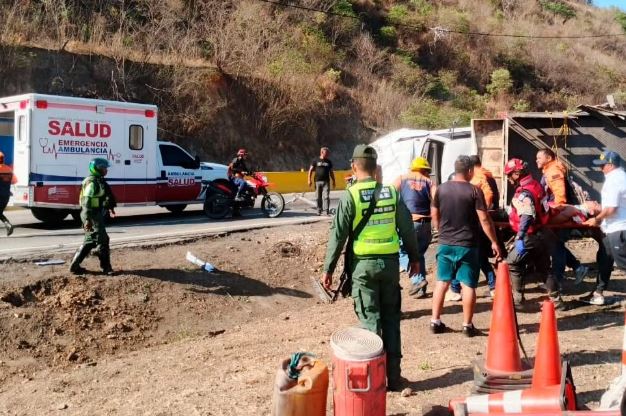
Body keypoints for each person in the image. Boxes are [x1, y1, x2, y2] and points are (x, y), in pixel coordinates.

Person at [321, 144, 420, 391]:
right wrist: (416, 258)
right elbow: (407, 228)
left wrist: (328, 269)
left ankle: (375, 382)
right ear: (375, 168)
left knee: (370, 322)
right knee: (391, 320)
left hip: (363, 269)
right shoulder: (391, 192)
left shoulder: (351, 195)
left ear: (354, 167)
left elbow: (338, 235)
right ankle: (394, 379)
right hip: (389, 265)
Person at [430, 156, 502, 337]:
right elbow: (484, 219)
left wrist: (441, 231)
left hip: (445, 243)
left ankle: (435, 321)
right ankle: (467, 326)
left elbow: (434, 215)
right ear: (470, 171)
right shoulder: (474, 191)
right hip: (468, 244)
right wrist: (494, 241)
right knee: (468, 285)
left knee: (442, 282)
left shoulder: (440, 189)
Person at [504, 158, 556, 305]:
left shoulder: (524, 193)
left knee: (513, 262)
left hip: (529, 235)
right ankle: (557, 300)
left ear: (516, 174)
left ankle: (518, 299)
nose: (508, 179)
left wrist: (520, 236)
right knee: (544, 268)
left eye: (509, 175)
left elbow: (526, 215)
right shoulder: (536, 185)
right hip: (542, 233)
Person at [448, 155, 499, 300]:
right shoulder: (487, 176)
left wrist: (480, 210)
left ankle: (456, 289)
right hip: (478, 223)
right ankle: (492, 285)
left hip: (473, 225)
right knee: (480, 256)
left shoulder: (478, 178)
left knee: (461, 259)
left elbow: (487, 197)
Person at [536, 148, 588, 287]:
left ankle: (557, 281)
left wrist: (553, 213)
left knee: (556, 246)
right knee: (554, 244)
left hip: (560, 214)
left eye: (539, 158)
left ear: (548, 158)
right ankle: (577, 268)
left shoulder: (553, 172)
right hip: (557, 213)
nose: (537, 161)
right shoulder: (549, 170)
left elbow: (560, 198)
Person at [583, 151, 626, 305]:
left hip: (618, 228)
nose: (600, 169)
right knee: (604, 259)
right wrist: (598, 207)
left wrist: (597, 218)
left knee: (623, 263)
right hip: (612, 228)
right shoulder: (620, 177)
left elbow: (612, 209)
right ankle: (598, 292)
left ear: (610, 165)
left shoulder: (615, 180)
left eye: (602, 165)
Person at [392, 157, 436, 298]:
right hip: (426, 224)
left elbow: (389, 195)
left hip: (409, 224)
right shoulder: (429, 182)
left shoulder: (401, 178)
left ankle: (417, 280)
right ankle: (421, 290)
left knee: (403, 252)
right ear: (424, 170)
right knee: (419, 255)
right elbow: (438, 201)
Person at [69, 158, 116, 275]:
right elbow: (87, 201)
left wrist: (109, 207)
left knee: (90, 240)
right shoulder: (92, 183)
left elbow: (103, 198)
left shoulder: (98, 181)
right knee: (103, 240)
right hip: (91, 214)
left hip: (94, 214)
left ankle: (74, 266)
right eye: (104, 168)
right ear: (97, 168)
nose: (106, 170)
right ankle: (106, 268)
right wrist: (88, 220)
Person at [308, 147, 335, 215]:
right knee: (318, 197)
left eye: (328, 153)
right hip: (317, 181)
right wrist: (309, 180)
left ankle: (326, 211)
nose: (328, 154)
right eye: (326, 153)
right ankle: (319, 210)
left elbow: (331, 172)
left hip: (326, 181)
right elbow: (310, 170)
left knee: (326, 197)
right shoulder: (315, 160)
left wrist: (334, 181)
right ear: (322, 152)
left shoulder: (329, 162)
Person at [0, 151, 16, 236]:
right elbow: (14, 181)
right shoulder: (9, 169)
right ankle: (8, 225)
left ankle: (8, 224)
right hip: (6, 196)